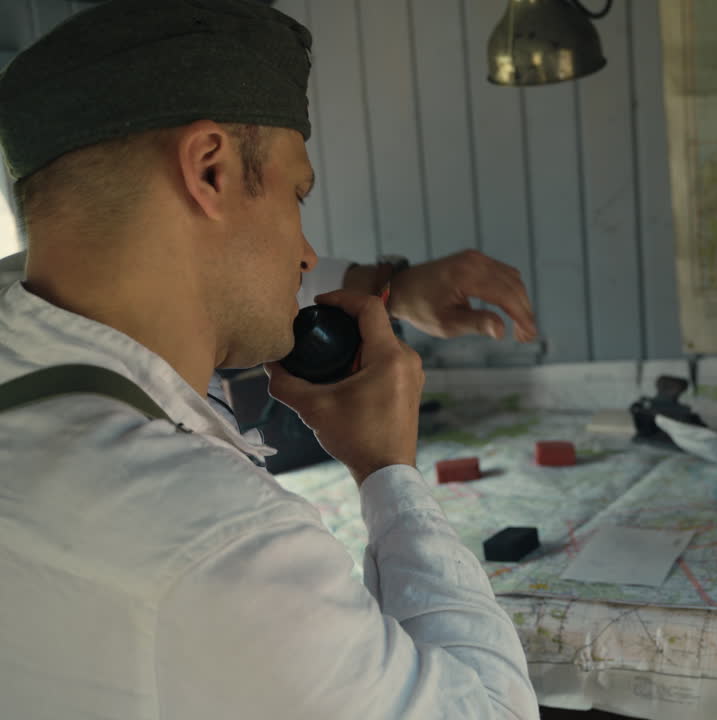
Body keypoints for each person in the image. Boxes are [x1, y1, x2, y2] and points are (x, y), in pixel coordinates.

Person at [0, 1, 541, 718]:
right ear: (211, 169)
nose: (307, 254)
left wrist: (394, 287)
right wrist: (388, 473)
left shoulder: (24, 306)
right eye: (296, 194)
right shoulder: (221, 548)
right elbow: (494, 710)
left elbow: (210, 279)